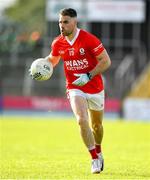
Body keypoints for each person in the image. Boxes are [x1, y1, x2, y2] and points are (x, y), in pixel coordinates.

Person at [31, 8, 111, 174]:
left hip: (94, 87)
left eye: (65, 22)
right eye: (60, 22)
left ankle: (99, 150)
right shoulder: (57, 42)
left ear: (75, 22)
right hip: (74, 87)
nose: (62, 25)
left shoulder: (89, 39)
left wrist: (89, 75)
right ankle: (94, 158)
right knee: (82, 120)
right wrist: (41, 66)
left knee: (97, 126)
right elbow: (53, 59)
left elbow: (106, 61)